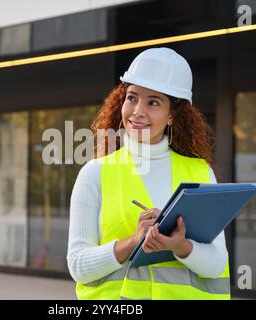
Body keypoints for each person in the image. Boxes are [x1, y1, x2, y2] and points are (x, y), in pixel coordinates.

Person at [67, 47, 230, 300]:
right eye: (132, 97)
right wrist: (133, 242)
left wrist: (181, 247)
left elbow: (217, 264)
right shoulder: (95, 173)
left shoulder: (200, 172)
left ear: (173, 115)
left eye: (153, 102)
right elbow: (78, 266)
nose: (137, 111)